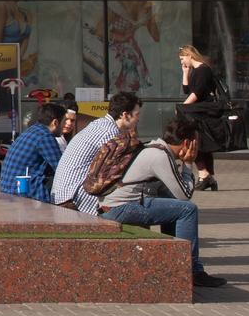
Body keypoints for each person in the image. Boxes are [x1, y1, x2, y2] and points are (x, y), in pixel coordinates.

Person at [98, 115, 228, 289]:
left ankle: (175, 262)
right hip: (122, 208)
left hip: (113, 206)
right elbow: (185, 195)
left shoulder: (152, 148)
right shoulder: (160, 156)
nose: (198, 149)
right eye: (197, 143)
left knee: (174, 207)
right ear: (187, 143)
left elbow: (171, 195)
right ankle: (191, 270)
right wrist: (188, 164)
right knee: (188, 210)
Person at [52, 90, 143, 214]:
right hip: (73, 199)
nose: (139, 119)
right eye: (137, 114)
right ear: (125, 115)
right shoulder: (110, 133)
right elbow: (117, 170)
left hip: (62, 195)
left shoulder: (100, 124)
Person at [177, 45, 224, 190]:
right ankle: (208, 177)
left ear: (190, 55)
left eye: (182, 58)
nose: (182, 62)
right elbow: (187, 90)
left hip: (203, 112)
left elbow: (196, 93)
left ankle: (204, 175)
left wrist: (182, 107)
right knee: (203, 145)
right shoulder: (196, 71)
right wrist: (185, 72)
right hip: (198, 111)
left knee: (195, 143)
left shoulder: (203, 70)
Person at [0, 103, 68, 200]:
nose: (65, 125)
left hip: (7, 188)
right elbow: (62, 169)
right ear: (55, 122)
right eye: (64, 121)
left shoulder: (31, 130)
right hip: (23, 193)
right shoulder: (45, 136)